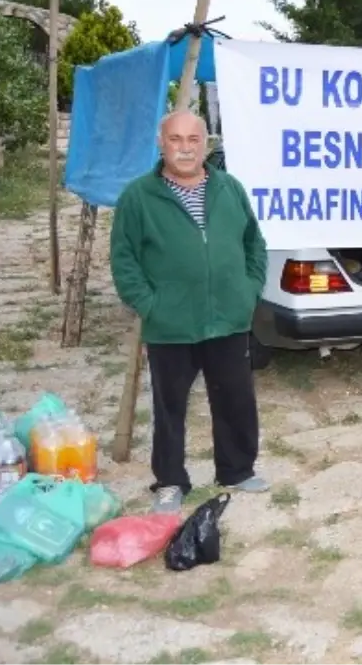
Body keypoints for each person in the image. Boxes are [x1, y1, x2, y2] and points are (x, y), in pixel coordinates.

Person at [109, 109, 270, 514]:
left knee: (235, 398)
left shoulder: (229, 188)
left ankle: (235, 469)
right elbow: (124, 260)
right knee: (169, 408)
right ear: (161, 144)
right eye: (175, 139)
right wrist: (150, 305)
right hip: (171, 323)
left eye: (193, 139)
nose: (184, 148)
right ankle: (170, 481)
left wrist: (247, 291)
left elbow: (254, 243)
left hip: (229, 318)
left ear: (206, 144)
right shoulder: (139, 196)